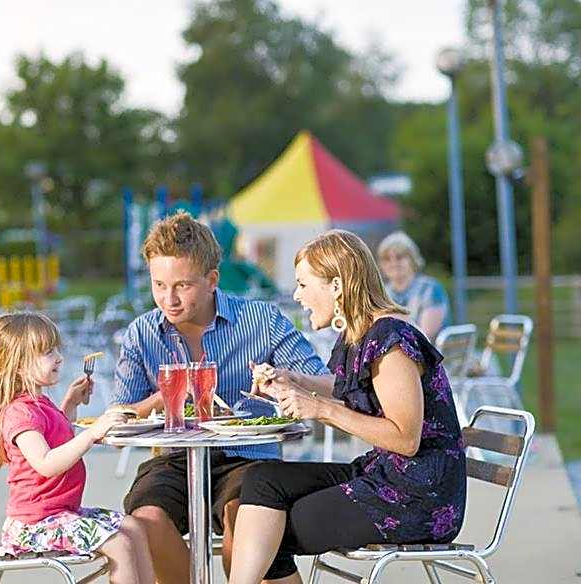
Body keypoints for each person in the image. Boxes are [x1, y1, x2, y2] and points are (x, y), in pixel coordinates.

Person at [229, 230, 466, 584]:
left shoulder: (391, 341)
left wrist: (320, 408)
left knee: (269, 533)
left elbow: (405, 439)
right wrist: (292, 380)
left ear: (337, 286)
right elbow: (349, 388)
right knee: (263, 480)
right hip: (385, 474)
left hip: (417, 496)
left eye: (303, 285)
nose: (297, 296)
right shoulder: (360, 333)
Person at [112, 211, 329, 584]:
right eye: (159, 285)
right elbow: (120, 416)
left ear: (212, 280)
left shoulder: (262, 321)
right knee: (145, 519)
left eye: (182, 285)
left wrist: (285, 380)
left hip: (247, 457)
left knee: (242, 515)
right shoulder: (141, 334)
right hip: (175, 459)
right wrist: (160, 400)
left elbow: (322, 382)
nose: (169, 298)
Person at [0, 311, 155, 584]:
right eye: (47, 352)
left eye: (55, 349)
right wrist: (93, 433)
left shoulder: (39, 403)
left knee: (134, 528)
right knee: (118, 544)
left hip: (60, 514)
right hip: (34, 525)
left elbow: (56, 436)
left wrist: (70, 405)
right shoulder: (19, 414)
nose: (58, 357)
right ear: (19, 365)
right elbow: (46, 462)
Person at [376, 231, 451, 341]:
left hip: (427, 355)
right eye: (387, 259)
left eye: (399, 257)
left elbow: (425, 337)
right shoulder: (381, 294)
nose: (393, 263)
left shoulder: (430, 289)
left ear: (412, 259)